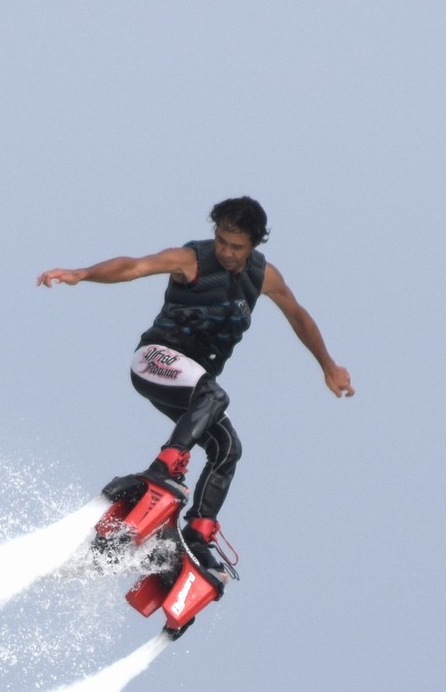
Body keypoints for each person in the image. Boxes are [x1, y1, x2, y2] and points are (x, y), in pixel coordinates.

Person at [38, 196, 351, 574]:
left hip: (192, 387)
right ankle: (163, 470)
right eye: (221, 241)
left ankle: (197, 534)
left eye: (237, 247)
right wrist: (81, 273)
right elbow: (134, 266)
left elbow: (298, 316)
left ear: (254, 244)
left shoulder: (265, 276)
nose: (227, 252)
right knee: (214, 396)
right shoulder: (190, 260)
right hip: (154, 360)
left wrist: (328, 365)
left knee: (227, 448)